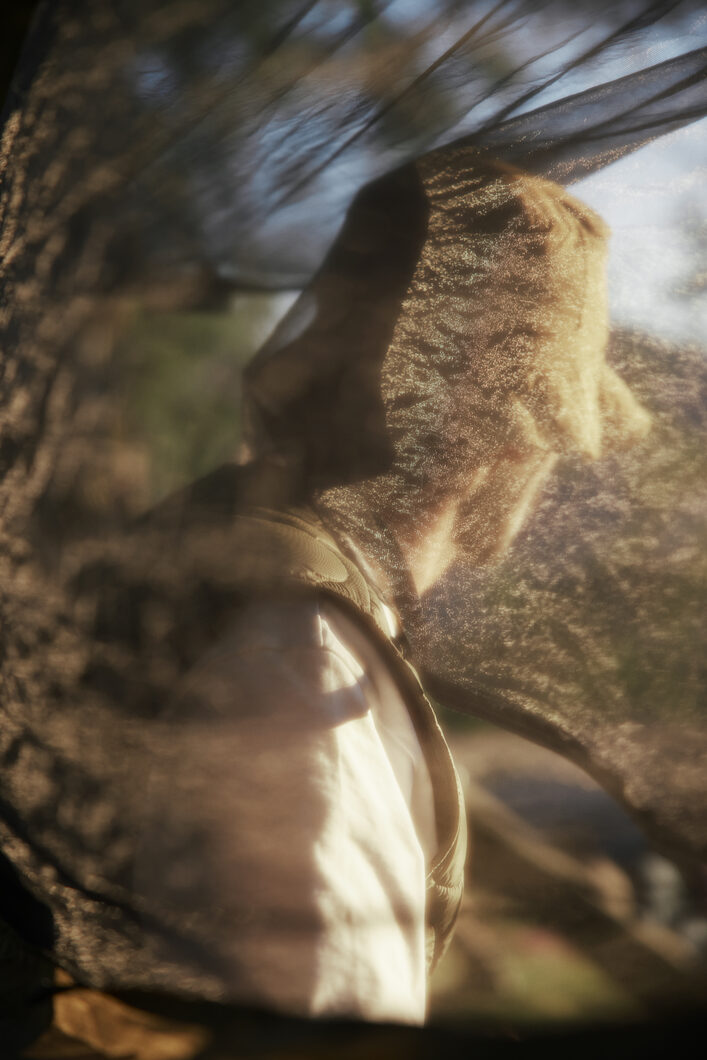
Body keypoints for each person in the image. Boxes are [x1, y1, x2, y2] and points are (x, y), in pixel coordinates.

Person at [124, 149, 651, 1028]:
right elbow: (326, 1028)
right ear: (517, 432)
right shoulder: (305, 661)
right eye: (564, 430)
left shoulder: (239, 557)